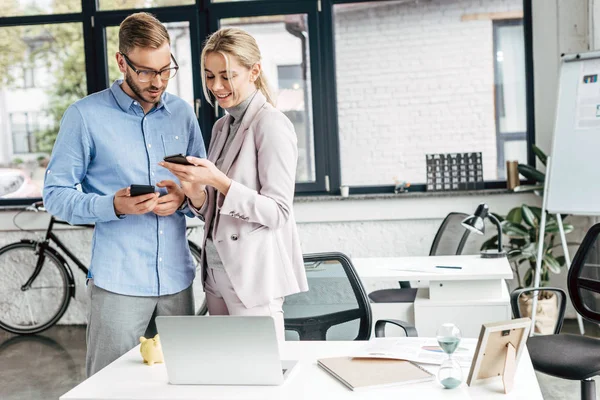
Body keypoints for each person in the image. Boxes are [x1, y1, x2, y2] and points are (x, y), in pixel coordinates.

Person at [43, 12, 206, 377]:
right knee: (109, 388)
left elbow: (202, 190)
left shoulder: (183, 114)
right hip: (118, 283)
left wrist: (182, 198)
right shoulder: (84, 116)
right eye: (146, 71)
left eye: (166, 70)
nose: (158, 82)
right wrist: (112, 205)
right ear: (122, 61)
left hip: (177, 280)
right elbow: (55, 195)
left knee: (183, 385)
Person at [160, 27, 308, 342]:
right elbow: (213, 212)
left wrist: (218, 180)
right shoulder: (221, 126)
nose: (216, 86)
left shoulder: (271, 124)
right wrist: (193, 192)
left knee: (259, 380)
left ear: (254, 71)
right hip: (215, 272)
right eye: (210, 76)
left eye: (227, 76)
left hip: (252, 277)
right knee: (228, 377)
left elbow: (277, 212)